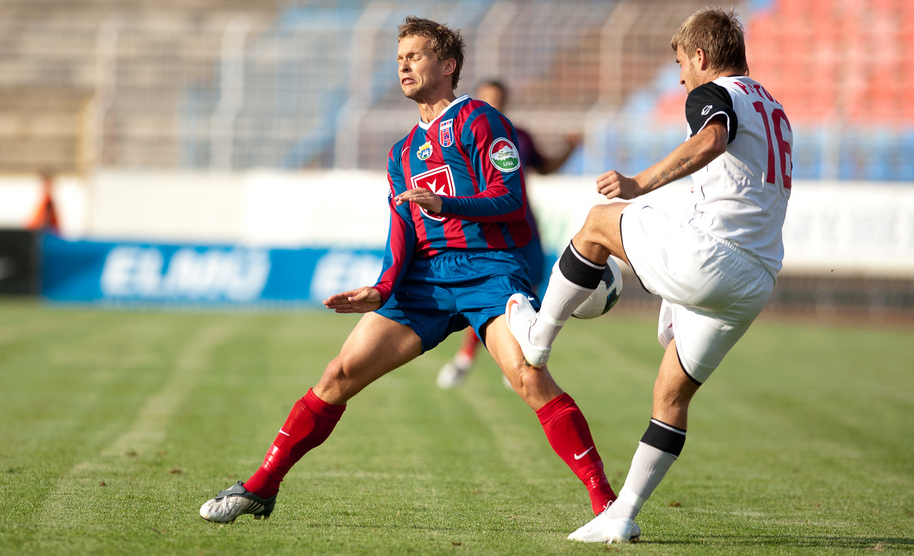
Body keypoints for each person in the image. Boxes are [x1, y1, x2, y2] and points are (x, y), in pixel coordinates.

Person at [199, 15, 617, 524]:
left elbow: (509, 199)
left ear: (448, 65)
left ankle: (607, 504)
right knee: (338, 374)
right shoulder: (401, 152)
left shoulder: (481, 120)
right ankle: (261, 487)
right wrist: (382, 289)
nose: (403, 65)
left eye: (414, 56)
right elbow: (402, 231)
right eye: (399, 58)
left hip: (489, 272)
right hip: (426, 281)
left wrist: (446, 204)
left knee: (530, 379)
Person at [506, 7, 792, 543]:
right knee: (671, 396)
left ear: (701, 56)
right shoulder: (771, 106)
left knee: (598, 223)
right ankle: (622, 516)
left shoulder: (714, 93)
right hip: (755, 281)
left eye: (681, 63)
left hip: (714, 259)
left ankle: (538, 338)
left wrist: (638, 184)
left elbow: (710, 141)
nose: (680, 77)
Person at [436, 79, 581, 390]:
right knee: (488, 297)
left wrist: (569, 148)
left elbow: (545, 167)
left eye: (498, 100)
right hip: (486, 230)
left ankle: (520, 357)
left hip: (524, 226)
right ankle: (465, 358)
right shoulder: (462, 136)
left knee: (531, 293)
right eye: (487, 99)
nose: (494, 105)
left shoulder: (518, 135)